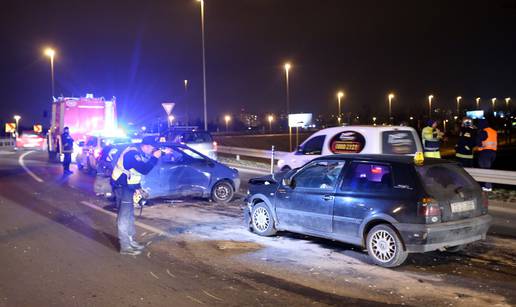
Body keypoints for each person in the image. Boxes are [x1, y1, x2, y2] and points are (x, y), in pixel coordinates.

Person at [111, 136, 161, 255]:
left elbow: (134, 173)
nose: (151, 152)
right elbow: (144, 169)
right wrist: (155, 157)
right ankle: (125, 246)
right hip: (122, 187)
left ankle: (130, 241)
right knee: (124, 217)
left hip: (128, 186)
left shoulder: (137, 152)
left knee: (129, 216)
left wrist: (138, 188)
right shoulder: (132, 154)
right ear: (146, 146)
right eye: (151, 149)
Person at [476, 118, 497, 192]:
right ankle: (488, 185)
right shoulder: (493, 131)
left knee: (485, 170)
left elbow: (478, 141)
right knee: (488, 169)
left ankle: (488, 186)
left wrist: (480, 146)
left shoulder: (484, 131)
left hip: (485, 153)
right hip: (493, 153)